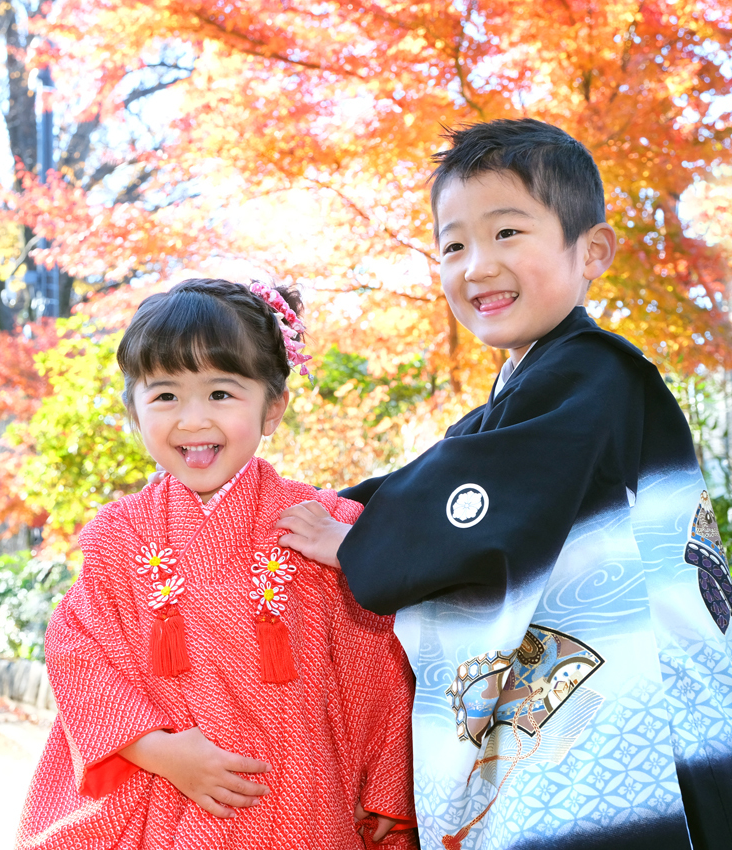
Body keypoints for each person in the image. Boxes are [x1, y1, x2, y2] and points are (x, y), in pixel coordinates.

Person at [277, 119, 732, 850]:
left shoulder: (597, 373)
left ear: (592, 251)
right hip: (611, 710)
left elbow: (483, 490)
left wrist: (357, 540)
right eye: (453, 245)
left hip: (642, 713)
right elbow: (446, 467)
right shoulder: (534, 388)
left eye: (507, 233)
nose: (477, 265)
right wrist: (341, 508)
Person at [16, 279, 416, 850]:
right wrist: (159, 751)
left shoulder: (324, 524)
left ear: (272, 406)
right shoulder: (119, 535)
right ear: (134, 409)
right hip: (168, 790)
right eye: (165, 396)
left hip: (300, 790)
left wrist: (385, 784)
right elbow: (79, 654)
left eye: (221, 393)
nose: (192, 419)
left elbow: (372, 656)